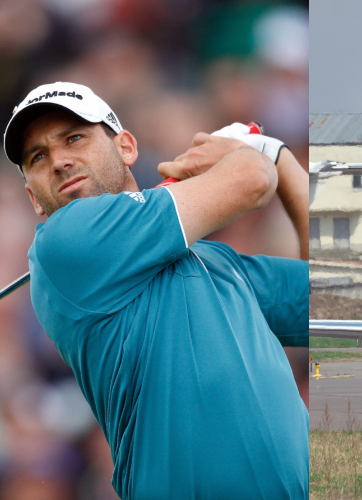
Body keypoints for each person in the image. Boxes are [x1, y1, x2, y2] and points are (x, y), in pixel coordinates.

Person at [3, 82, 309, 499]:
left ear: (126, 147)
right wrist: (247, 156)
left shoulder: (217, 262)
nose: (58, 161)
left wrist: (282, 159)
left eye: (74, 137)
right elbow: (251, 181)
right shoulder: (64, 244)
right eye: (38, 156)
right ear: (34, 200)